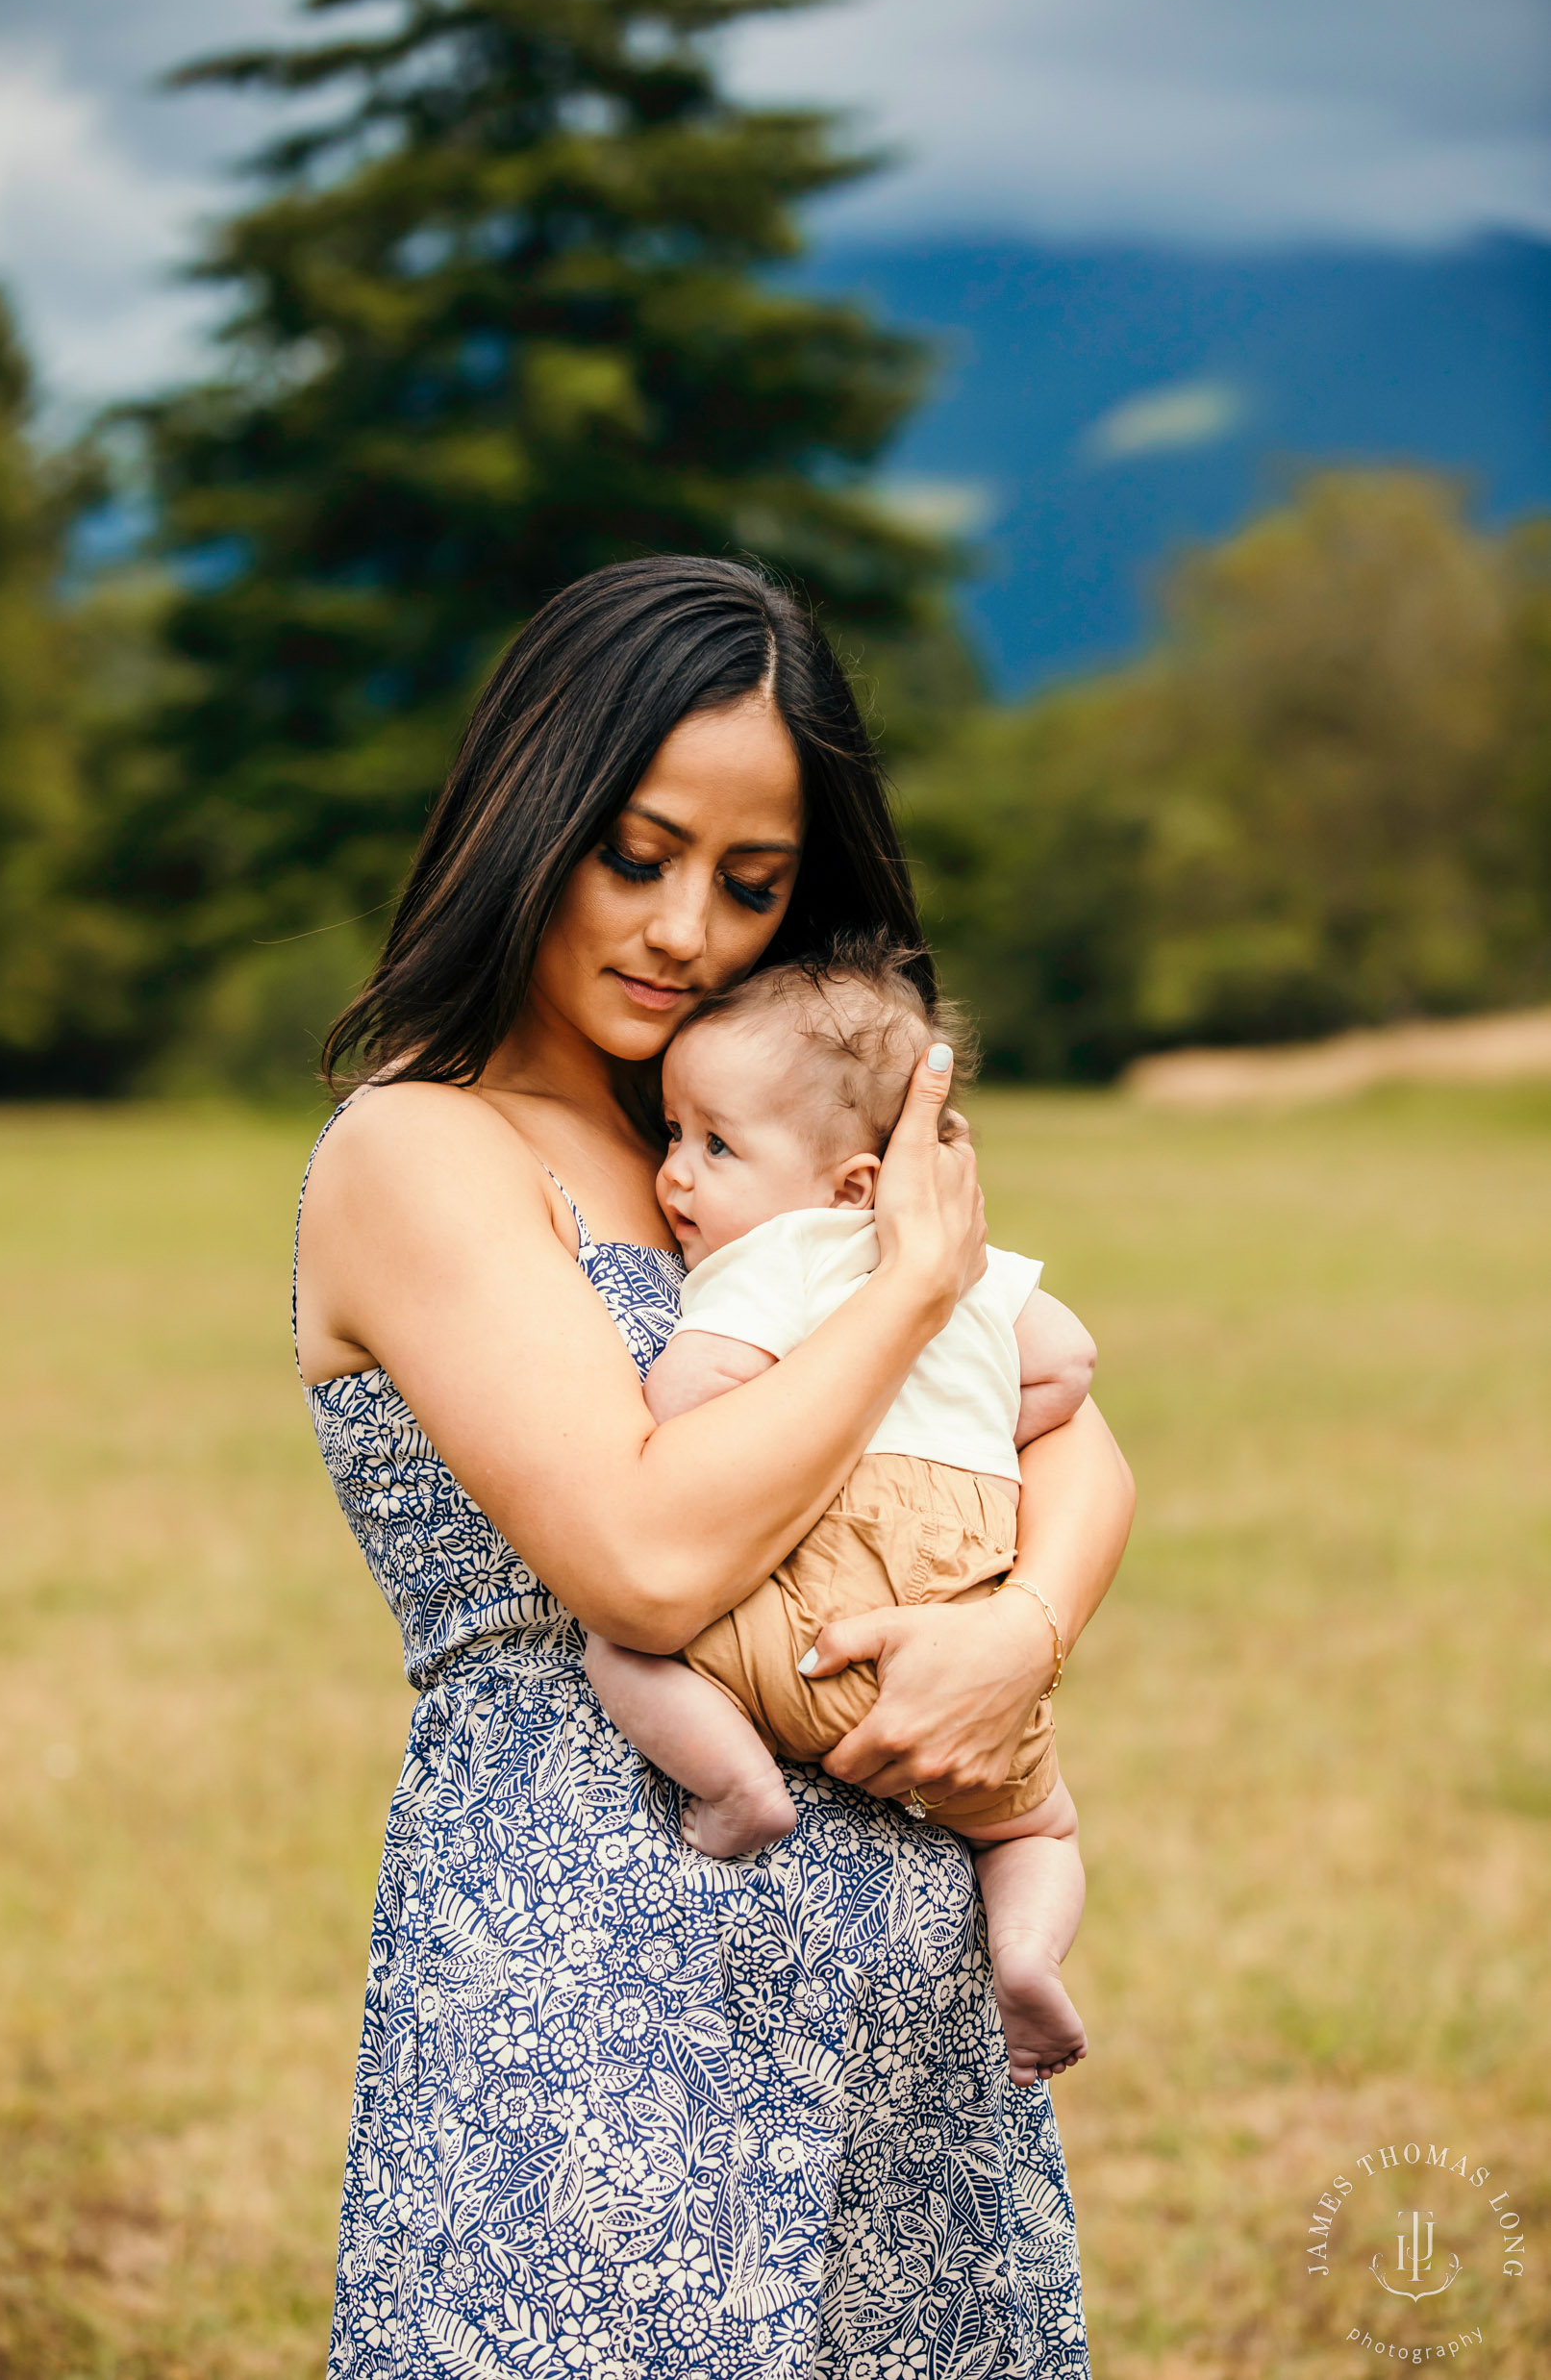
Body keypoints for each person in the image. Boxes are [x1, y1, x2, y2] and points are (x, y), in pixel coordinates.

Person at [292, 555, 1135, 2380]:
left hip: (904, 1979)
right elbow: (645, 1566)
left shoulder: (746, 1134)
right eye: (639, 854)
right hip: (594, 1977)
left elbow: (1071, 1436)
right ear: (534, 813)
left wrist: (1024, 1634)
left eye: (750, 884)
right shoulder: (418, 1152)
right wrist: (906, 1281)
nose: (687, 929)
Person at [584, 941, 1094, 2091]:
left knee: (622, 1636)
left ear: (852, 1186)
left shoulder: (777, 1256)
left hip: (827, 1589)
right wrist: (964, 1421)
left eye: (714, 1144)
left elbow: (687, 1403)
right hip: (964, 1589)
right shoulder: (962, 1265)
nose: (676, 1175)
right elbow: (1066, 1365)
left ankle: (735, 1788)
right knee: (1037, 1826)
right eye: (673, 1135)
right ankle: (1023, 1950)